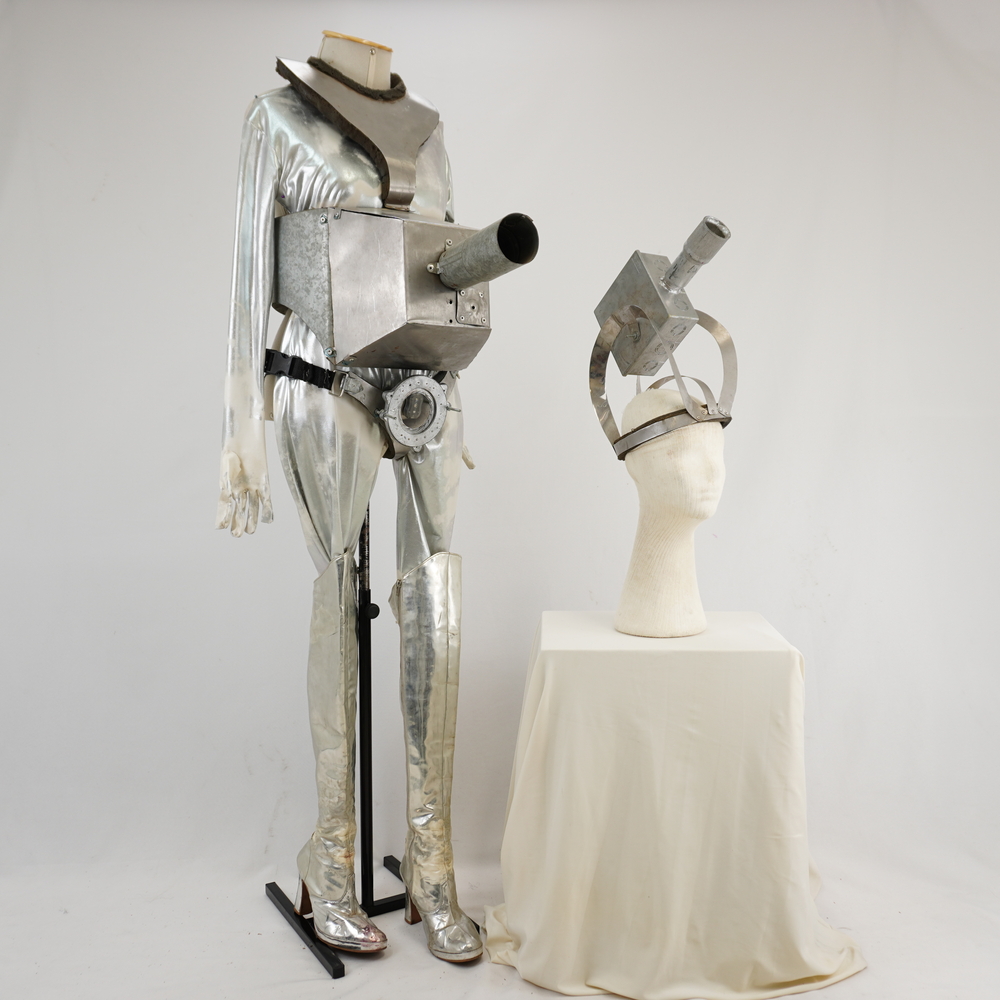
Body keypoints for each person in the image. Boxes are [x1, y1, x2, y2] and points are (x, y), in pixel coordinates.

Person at [217, 30, 481, 963]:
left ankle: (432, 863)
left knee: (436, 595)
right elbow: (250, 276)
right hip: (320, 372)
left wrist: (459, 393)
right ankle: (330, 859)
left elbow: (446, 267)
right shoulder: (278, 117)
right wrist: (239, 429)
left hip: (426, 379)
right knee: (340, 586)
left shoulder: (429, 131)